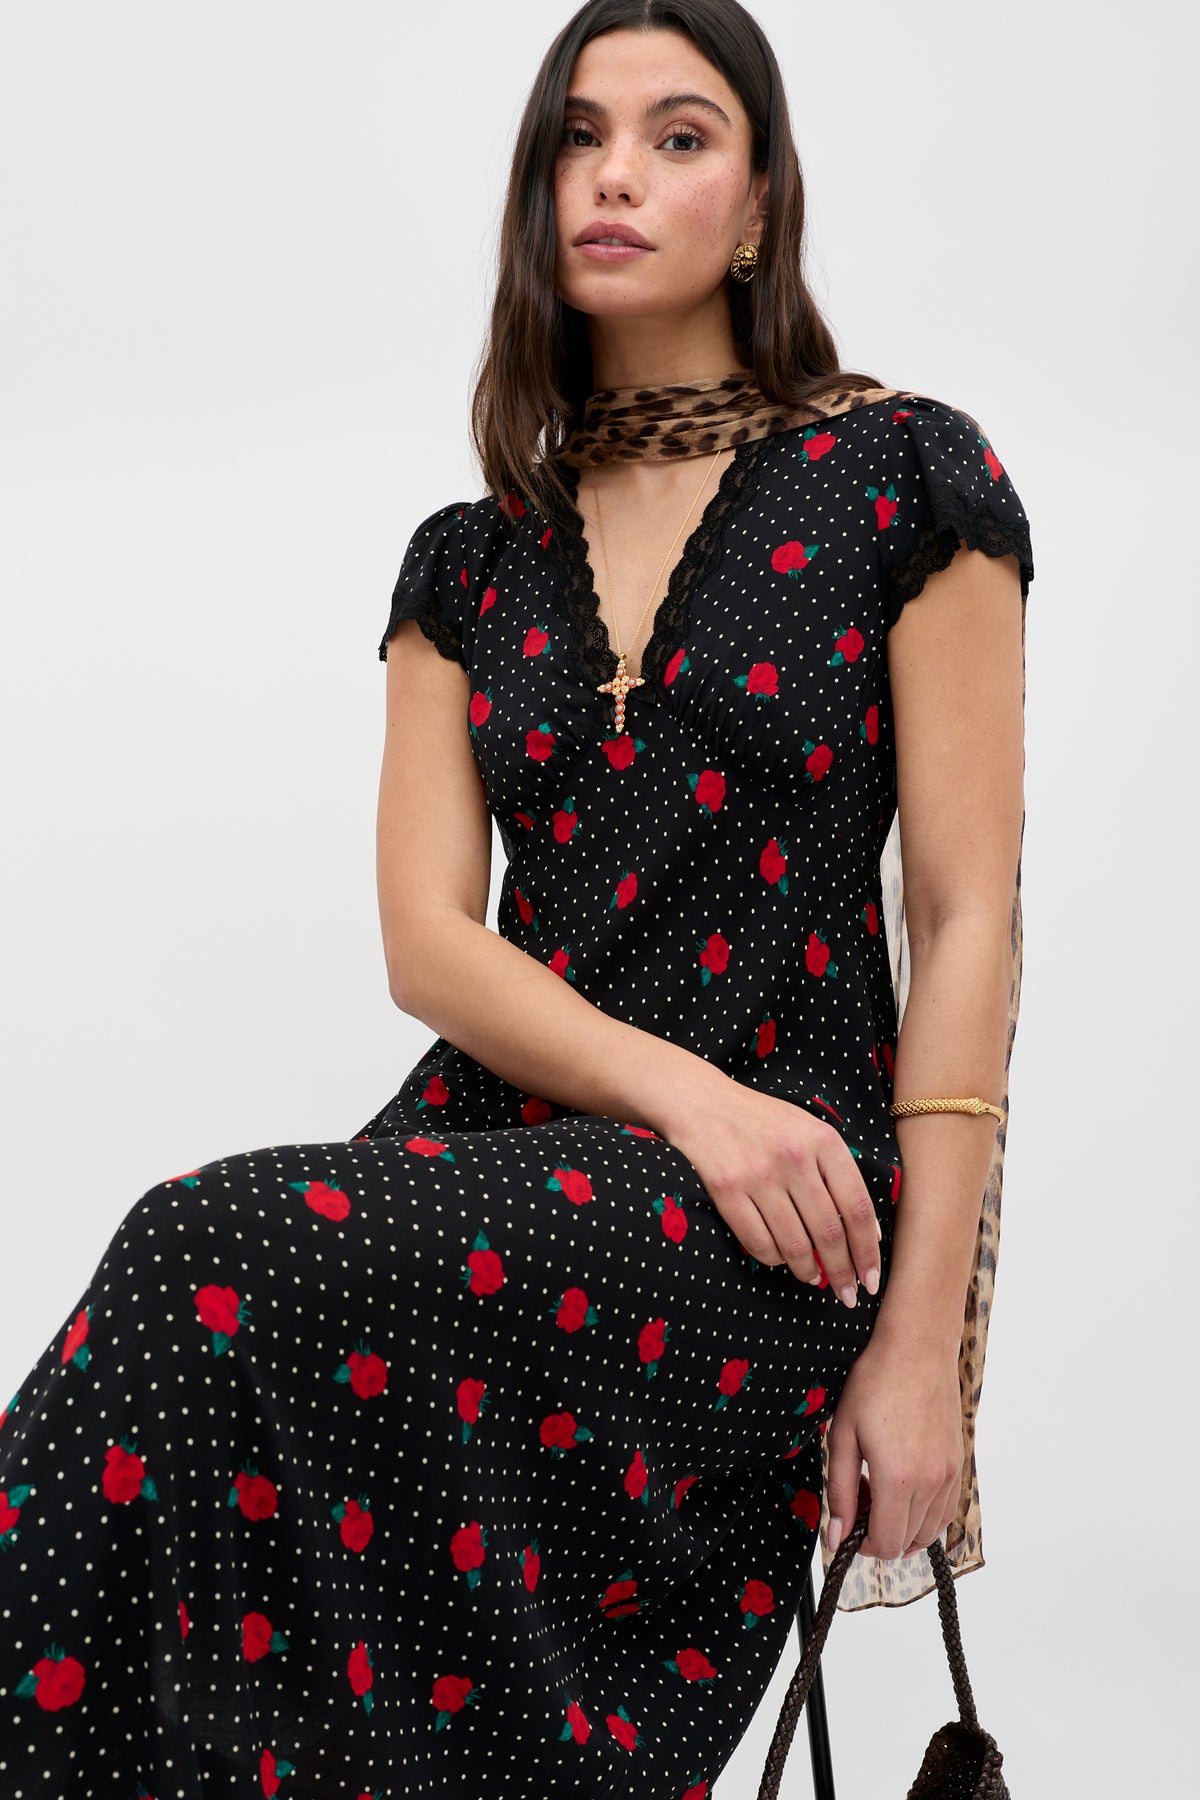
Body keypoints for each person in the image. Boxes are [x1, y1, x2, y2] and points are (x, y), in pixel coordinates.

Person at [0, 1, 1034, 1794]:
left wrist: (928, 1346)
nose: (615, 172)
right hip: (524, 1146)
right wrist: (685, 1099)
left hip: (789, 1215)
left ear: (765, 201)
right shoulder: (470, 556)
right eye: (576, 133)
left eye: (679, 134)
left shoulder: (905, 478)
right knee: (198, 1462)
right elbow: (428, 944)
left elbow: (968, 921)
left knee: (197, 1248)